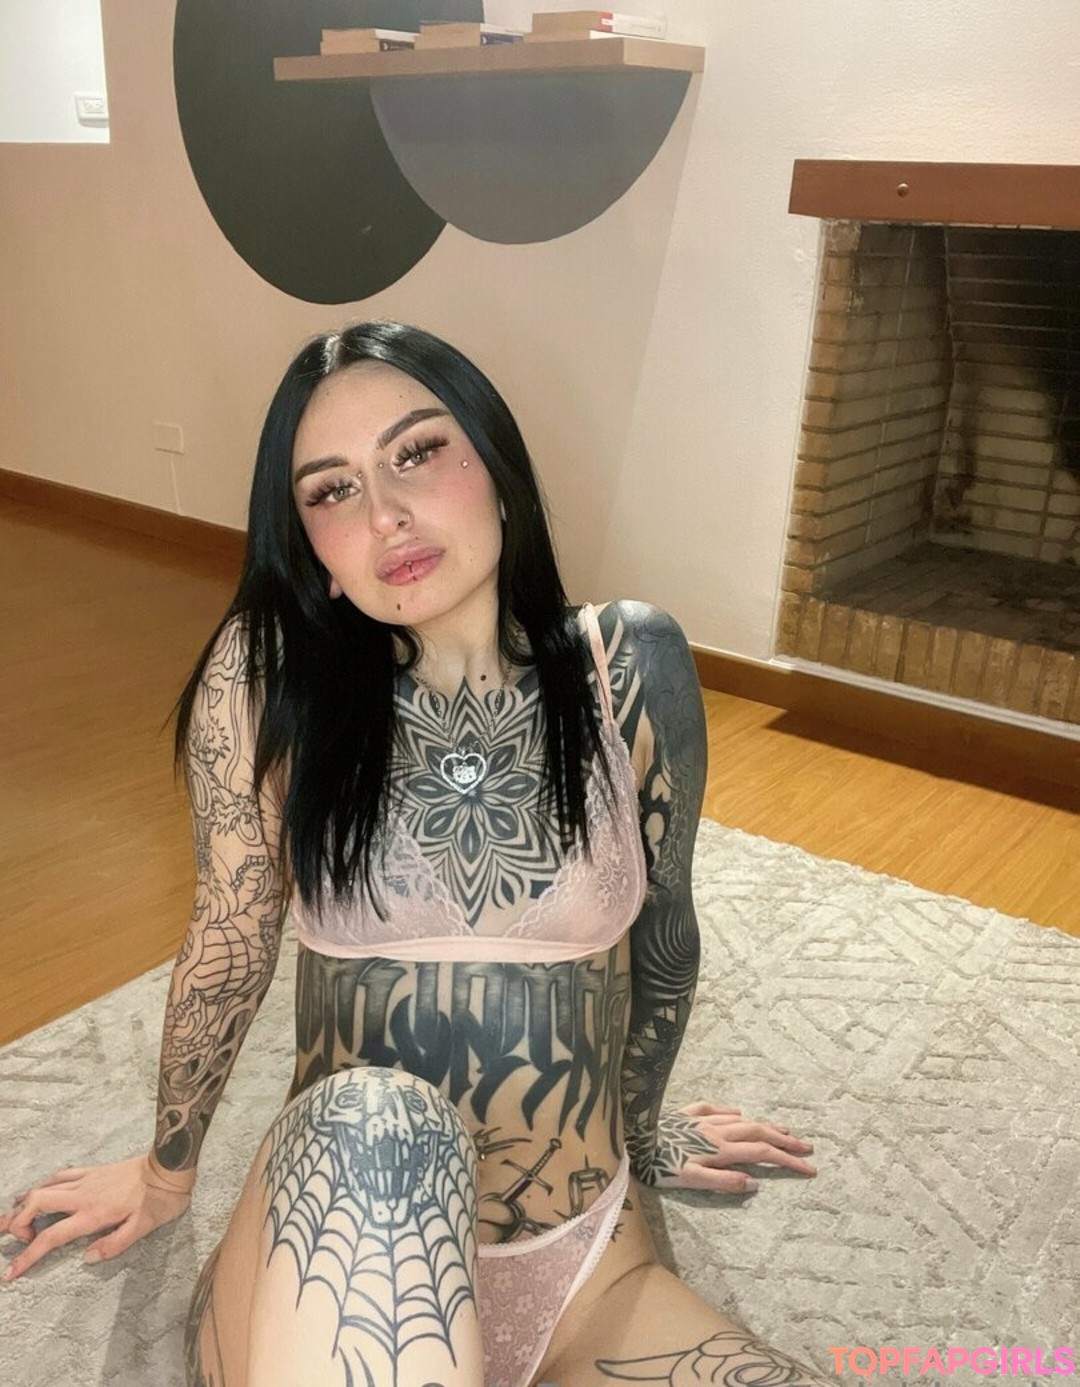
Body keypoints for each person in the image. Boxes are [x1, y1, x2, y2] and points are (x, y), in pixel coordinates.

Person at [2, 322, 823, 1386]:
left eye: (418, 451)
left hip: (583, 1274)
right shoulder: (269, 676)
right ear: (310, 543)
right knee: (382, 1117)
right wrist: (166, 1172)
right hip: (338, 1249)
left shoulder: (628, 663)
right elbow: (230, 937)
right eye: (332, 490)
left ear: (498, 465)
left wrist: (647, 1128)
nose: (384, 513)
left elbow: (665, 930)